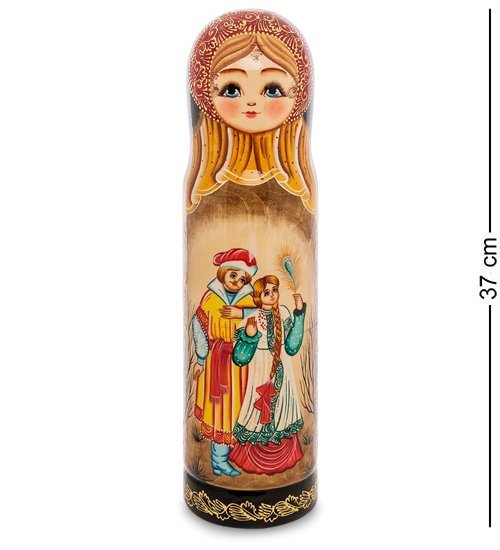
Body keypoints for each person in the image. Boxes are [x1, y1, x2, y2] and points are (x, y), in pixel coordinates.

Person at [228, 275, 306, 474]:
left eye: (275, 290)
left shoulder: (284, 312)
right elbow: (239, 358)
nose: (272, 295)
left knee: (282, 408)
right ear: (258, 296)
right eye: (266, 292)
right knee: (257, 409)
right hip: (260, 371)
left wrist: (299, 313)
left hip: (283, 371)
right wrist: (249, 336)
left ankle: (285, 456)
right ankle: (252, 457)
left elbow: (291, 347)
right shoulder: (250, 319)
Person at [191, 248, 258, 476]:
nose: (237, 282)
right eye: (233, 275)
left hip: (240, 365)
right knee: (219, 411)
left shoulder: (249, 300)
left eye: (242, 279)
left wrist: (242, 314)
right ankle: (219, 460)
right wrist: (201, 359)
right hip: (216, 364)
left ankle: (237, 456)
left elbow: (263, 317)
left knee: (238, 410)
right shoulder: (211, 298)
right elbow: (199, 327)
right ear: (223, 273)